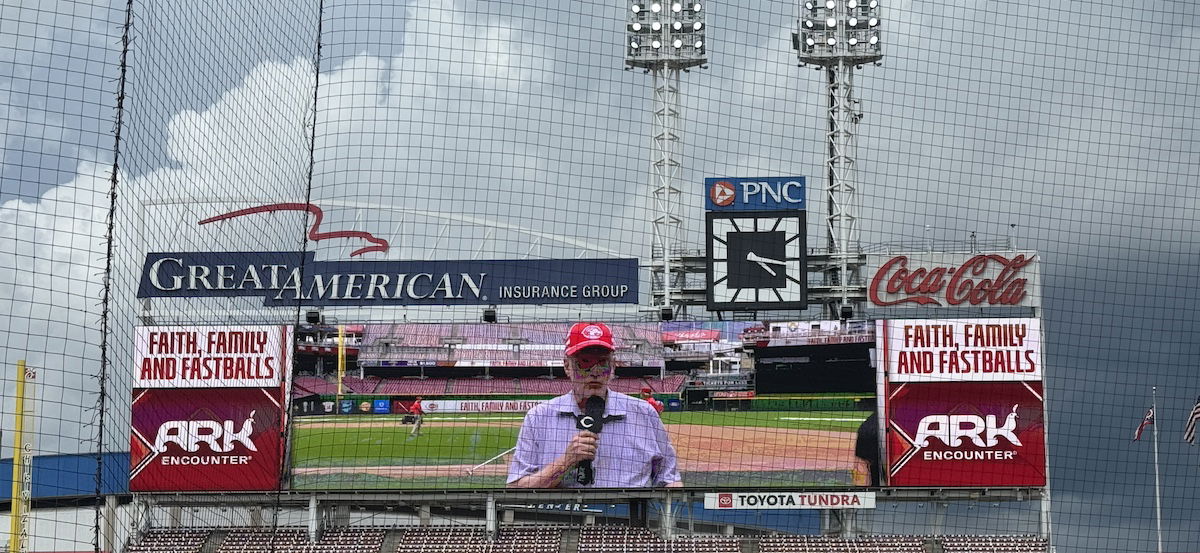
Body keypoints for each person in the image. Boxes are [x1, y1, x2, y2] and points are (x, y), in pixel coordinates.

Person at [507, 322, 681, 488]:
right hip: (564, 510)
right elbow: (516, 488)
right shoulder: (539, 417)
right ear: (567, 366)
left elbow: (670, 480)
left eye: (602, 362)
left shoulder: (644, 414)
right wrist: (565, 462)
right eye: (585, 362)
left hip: (631, 509)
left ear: (613, 366)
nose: (595, 372)